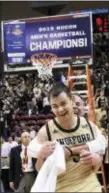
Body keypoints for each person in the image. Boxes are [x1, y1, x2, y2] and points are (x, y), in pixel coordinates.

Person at [33, 83, 106, 192]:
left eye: (63, 103)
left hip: (90, 185)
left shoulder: (89, 125)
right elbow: (40, 170)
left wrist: (95, 159)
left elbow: (99, 159)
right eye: (55, 106)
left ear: (71, 101)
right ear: (51, 108)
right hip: (62, 187)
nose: (60, 109)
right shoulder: (45, 132)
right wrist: (40, 156)